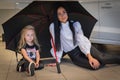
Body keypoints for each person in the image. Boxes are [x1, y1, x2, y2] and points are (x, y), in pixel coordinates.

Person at [48, 5, 120, 70]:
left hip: (84, 47)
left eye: (64, 12)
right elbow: (56, 44)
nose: (62, 15)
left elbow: (81, 40)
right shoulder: (53, 27)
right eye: (59, 14)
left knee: (102, 58)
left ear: (67, 13)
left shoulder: (75, 25)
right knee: (93, 66)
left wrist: (90, 57)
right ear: (56, 16)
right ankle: (101, 60)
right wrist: (58, 60)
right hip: (74, 55)